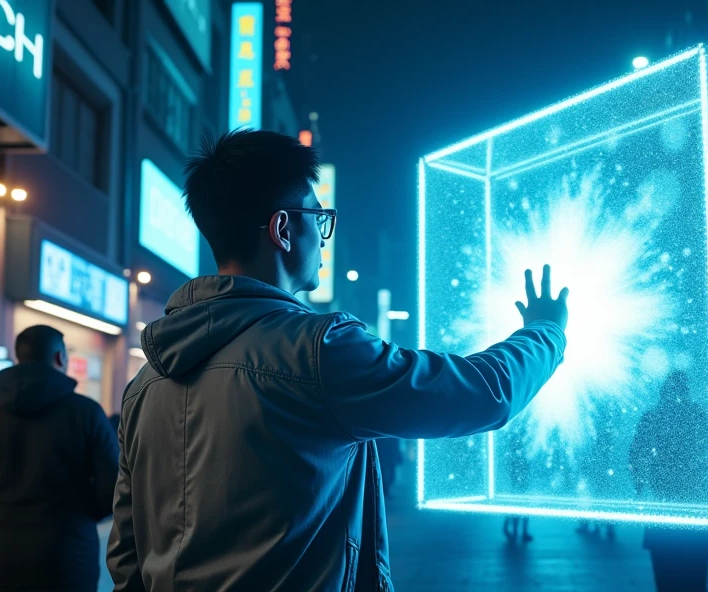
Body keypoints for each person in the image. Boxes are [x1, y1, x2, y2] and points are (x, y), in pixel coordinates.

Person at [107, 130, 570, 591]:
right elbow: (480, 395)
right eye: (320, 218)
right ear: (283, 230)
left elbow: (127, 551)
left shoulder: (145, 383)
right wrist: (546, 330)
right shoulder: (318, 352)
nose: (325, 237)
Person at [0, 326, 120, 592]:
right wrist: (83, 515)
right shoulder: (86, 413)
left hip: (1, 555)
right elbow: (113, 484)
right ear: (60, 358)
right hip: (68, 554)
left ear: (19, 357)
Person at [630, 372, 708, 592]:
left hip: (663, 506)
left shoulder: (653, 416)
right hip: (696, 508)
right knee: (696, 578)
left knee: (665, 578)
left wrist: (640, 485)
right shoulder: (699, 415)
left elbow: (636, 454)